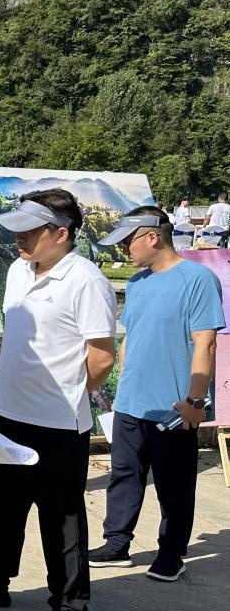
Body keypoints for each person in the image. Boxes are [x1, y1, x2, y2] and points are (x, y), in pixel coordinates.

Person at [0, 190, 117, 611]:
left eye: (30, 230)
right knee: (0, 507)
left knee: (61, 520)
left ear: (61, 234)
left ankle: (70, 606)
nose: (19, 237)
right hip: (10, 414)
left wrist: (64, 395)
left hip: (59, 424)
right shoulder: (20, 270)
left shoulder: (85, 280)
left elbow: (101, 358)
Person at [86, 207, 224, 580]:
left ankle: (171, 553)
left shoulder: (197, 280)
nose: (124, 250)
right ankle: (116, 544)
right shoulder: (137, 283)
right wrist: (121, 386)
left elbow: (206, 343)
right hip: (132, 403)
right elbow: (131, 336)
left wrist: (196, 400)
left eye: (128, 241)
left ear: (153, 237)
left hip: (174, 406)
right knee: (124, 475)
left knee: (174, 483)